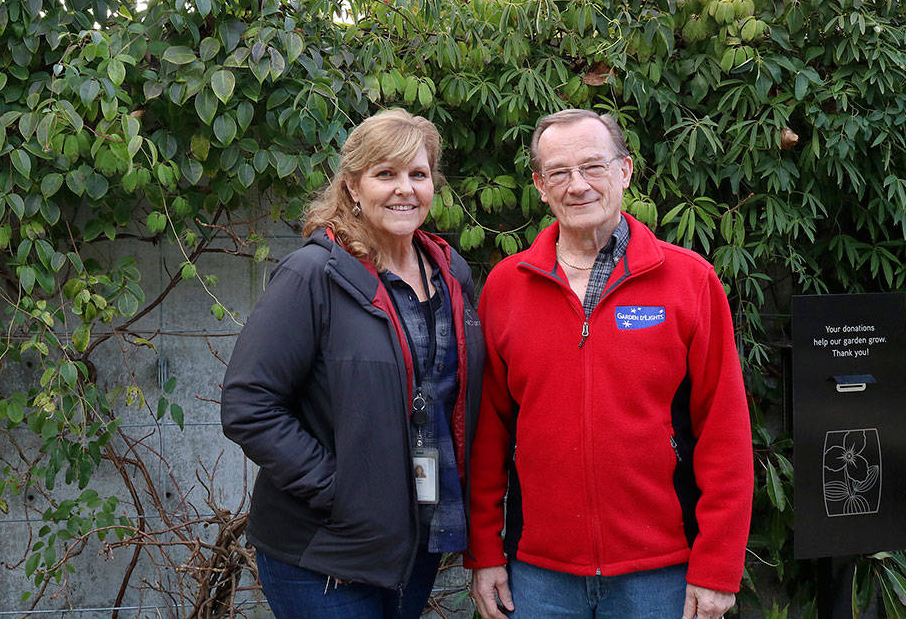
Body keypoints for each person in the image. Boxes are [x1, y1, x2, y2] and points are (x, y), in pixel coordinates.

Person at [466, 109, 753, 619]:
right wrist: (484, 552)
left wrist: (717, 568)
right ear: (539, 185)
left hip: (661, 574)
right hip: (539, 576)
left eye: (593, 166)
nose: (577, 186)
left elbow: (724, 433)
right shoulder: (506, 288)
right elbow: (488, 434)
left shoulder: (690, 282)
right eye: (558, 172)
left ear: (624, 170)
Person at [221, 109, 485, 619]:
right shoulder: (314, 274)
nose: (404, 189)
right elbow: (248, 404)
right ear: (352, 187)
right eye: (385, 174)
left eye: (418, 174)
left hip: (413, 539)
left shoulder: (451, 272)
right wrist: (341, 493)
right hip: (325, 552)